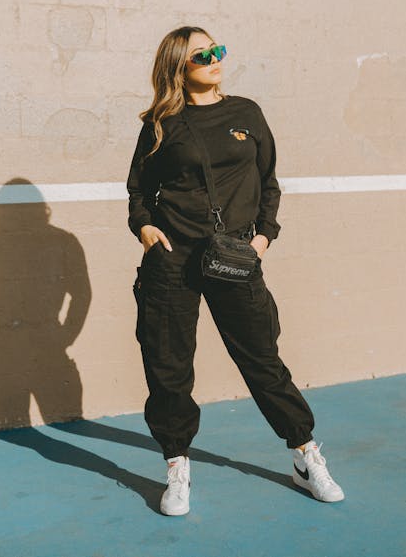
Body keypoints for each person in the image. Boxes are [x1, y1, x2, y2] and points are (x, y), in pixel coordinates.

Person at [126, 26, 344, 516]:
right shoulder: (163, 122)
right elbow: (138, 186)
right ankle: (177, 462)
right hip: (172, 259)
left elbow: (269, 181)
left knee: (262, 361)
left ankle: (305, 455)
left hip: (234, 256)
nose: (215, 59)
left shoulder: (246, 113)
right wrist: (143, 226)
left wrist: (264, 236)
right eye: (202, 55)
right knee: (168, 368)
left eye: (217, 50)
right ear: (180, 66)